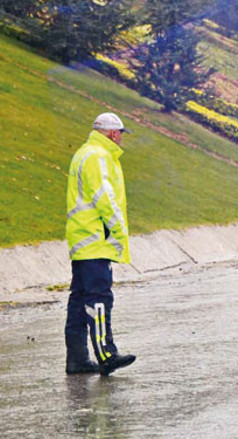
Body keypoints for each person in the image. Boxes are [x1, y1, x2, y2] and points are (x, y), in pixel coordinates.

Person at [64, 112, 136, 376]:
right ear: (113, 133)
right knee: (99, 299)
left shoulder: (85, 152)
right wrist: (119, 229)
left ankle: (78, 360)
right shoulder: (98, 156)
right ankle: (107, 355)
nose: (121, 140)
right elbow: (104, 198)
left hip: (82, 239)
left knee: (79, 299)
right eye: (120, 134)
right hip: (96, 238)